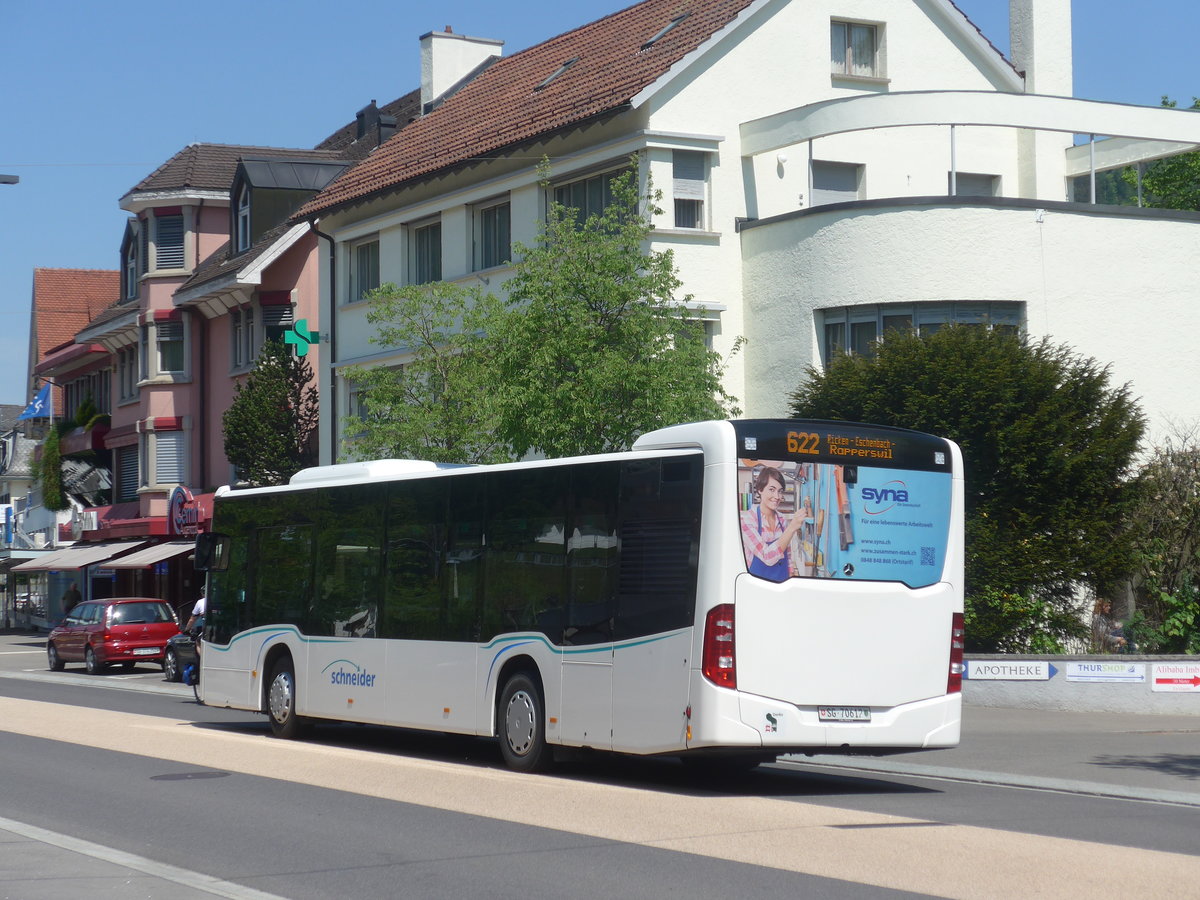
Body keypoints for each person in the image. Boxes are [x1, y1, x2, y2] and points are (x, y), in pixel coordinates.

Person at [740, 467, 804, 583]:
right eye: (772, 489)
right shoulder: (748, 520)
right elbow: (767, 556)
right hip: (757, 585)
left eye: (780, 491)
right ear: (760, 489)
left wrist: (791, 575)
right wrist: (792, 528)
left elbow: (787, 554)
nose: (777, 496)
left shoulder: (782, 519)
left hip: (781, 582)